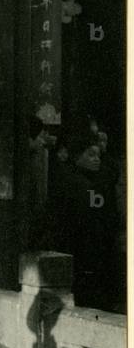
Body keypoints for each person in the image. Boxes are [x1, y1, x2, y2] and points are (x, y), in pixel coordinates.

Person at [43, 131, 120, 312]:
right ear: (77, 156)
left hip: (90, 249)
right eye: (90, 155)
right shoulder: (76, 183)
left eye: (98, 155)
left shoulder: (95, 180)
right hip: (81, 249)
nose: (96, 160)